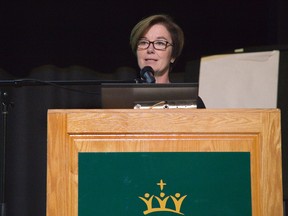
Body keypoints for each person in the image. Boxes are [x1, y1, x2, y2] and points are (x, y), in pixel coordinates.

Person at [130, 14, 205, 108]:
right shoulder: (119, 99)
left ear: (173, 55)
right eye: (143, 42)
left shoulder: (190, 102)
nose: (150, 49)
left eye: (160, 43)